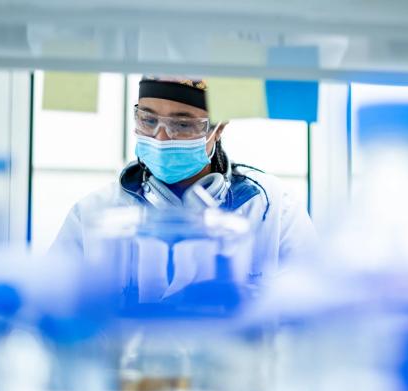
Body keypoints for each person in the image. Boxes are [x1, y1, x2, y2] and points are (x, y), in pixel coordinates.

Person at [51, 76, 316, 286]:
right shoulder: (93, 213)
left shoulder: (273, 208)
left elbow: (309, 319)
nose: (161, 137)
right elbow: (52, 312)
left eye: (183, 125)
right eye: (148, 120)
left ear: (218, 128)